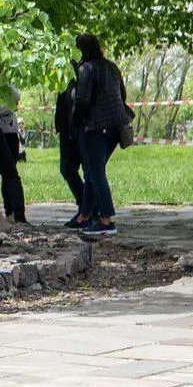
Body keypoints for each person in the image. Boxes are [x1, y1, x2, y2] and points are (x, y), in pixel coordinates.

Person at [71, 32, 131, 237]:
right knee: (92, 172)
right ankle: (85, 216)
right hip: (115, 127)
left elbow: (83, 101)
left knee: (95, 173)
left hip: (94, 127)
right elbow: (123, 95)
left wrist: (75, 123)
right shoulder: (112, 67)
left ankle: (106, 220)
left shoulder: (86, 69)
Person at [53, 80, 87, 228]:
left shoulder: (84, 72)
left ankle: (88, 210)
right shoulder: (65, 76)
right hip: (67, 131)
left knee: (89, 173)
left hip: (81, 130)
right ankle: (86, 206)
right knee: (66, 169)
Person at [0, 105, 26, 225]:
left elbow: (15, 100)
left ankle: (11, 214)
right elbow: (14, 99)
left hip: (8, 132)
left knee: (7, 176)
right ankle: (15, 216)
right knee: (8, 175)